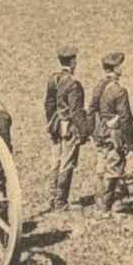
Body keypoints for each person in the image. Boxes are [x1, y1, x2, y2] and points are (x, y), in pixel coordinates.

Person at [89, 52, 133, 214]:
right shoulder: (119, 91)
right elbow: (125, 120)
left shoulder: (98, 86)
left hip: (99, 132)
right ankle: (105, 207)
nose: (122, 68)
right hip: (113, 134)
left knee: (100, 167)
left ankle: (98, 203)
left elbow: (91, 111)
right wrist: (131, 143)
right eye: (120, 66)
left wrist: (93, 132)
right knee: (113, 168)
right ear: (116, 68)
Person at [44, 47, 89, 211]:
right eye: (74, 60)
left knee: (55, 162)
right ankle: (61, 201)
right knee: (67, 162)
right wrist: (84, 132)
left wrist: (51, 124)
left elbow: (48, 105)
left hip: (55, 126)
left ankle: (51, 198)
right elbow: (76, 111)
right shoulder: (73, 84)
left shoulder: (53, 79)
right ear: (71, 62)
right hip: (69, 126)